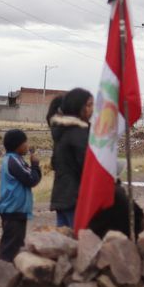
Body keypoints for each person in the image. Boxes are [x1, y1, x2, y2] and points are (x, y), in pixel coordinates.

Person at [48, 88, 93, 228]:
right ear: (78, 106)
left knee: (64, 244)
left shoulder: (62, 131)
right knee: (80, 244)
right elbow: (87, 167)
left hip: (62, 197)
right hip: (76, 198)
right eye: (89, 104)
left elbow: (55, 163)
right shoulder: (78, 134)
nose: (92, 109)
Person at [0, 129, 41, 263]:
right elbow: (31, 179)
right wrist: (35, 165)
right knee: (11, 246)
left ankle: (11, 274)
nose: (27, 145)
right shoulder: (14, 161)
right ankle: (3, 274)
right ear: (18, 145)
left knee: (15, 244)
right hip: (13, 209)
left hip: (15, 209)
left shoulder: (13, 159)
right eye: (25, 142)